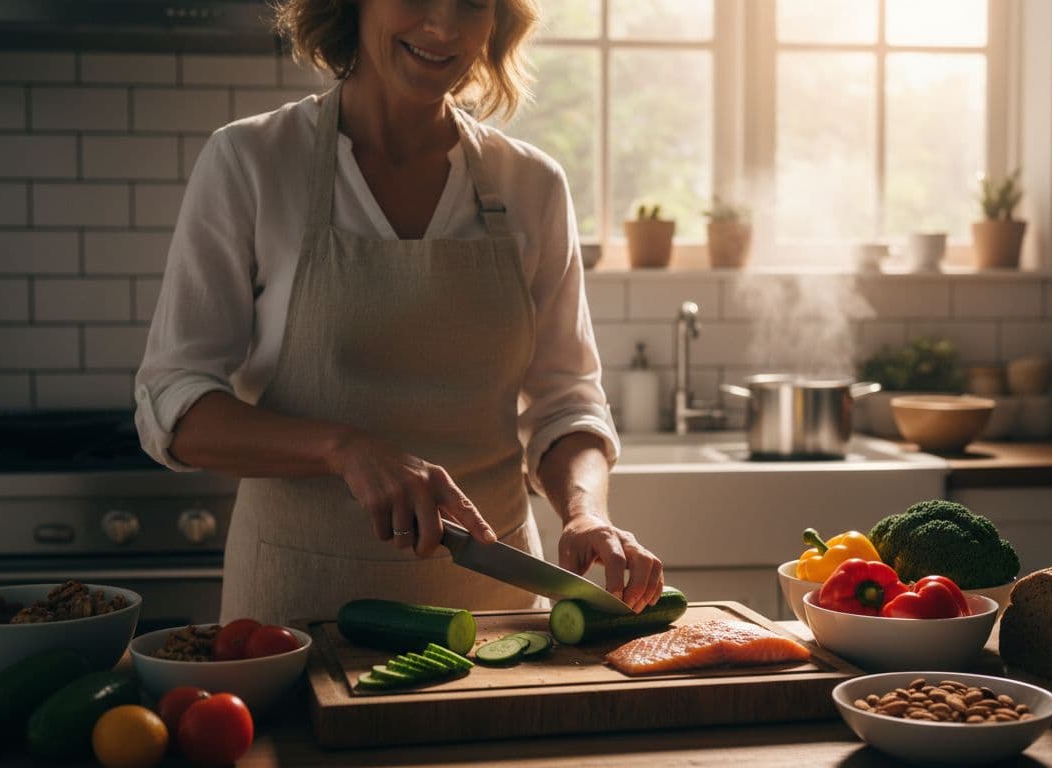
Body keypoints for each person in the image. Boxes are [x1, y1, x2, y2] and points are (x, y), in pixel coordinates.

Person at [133, 0, 664, 625]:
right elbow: (173, 402)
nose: (443, 26)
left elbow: (566, 400)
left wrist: (585, 511)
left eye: (471, 3)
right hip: (296, 607)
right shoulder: (253, 162)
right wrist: (343, 448)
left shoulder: (531, 184)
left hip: (495, 603)